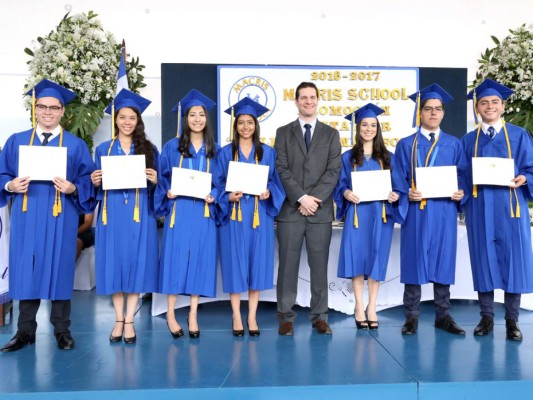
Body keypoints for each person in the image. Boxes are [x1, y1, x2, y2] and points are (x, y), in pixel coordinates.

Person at [0, 79, 95, 352]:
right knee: (27, 270)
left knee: (60, 268)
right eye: (42, 106)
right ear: (35, 108)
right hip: (27, 215)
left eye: (54, 108)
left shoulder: (75, 146)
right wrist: (10, 185)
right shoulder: (16, 141)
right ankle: (25, 331)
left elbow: (87, 180)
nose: (48, 112)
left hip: (60, 216)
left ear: (63, 111)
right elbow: (2, 173)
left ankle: (62, 330)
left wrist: (74, 186)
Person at [462, 79, 533, 341]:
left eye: (494, 102)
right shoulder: (469, 140)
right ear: (477, 108)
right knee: (484, 260)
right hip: (480, 209)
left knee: (513, 261)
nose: (489, 106)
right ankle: (486, 317)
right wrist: (459, 189)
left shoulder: (518, 135)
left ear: (503, 106)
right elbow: (460, 174)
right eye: (483, 102)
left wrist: (524, 179)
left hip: (510, 209)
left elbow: (531, 168)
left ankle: (512, 320)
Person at [394, 83, 467, 336]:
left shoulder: (454, 144)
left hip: (445, 211)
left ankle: (442, 315)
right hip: (417, 212)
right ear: (420, 113)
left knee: (443, 260)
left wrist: (461, 192)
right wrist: (407, 192)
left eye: (437, 109)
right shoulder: (406, 144)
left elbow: (463, 176)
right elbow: (398, 178)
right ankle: (411, 316)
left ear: (443, 114)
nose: (433, 113)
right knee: (414, 259)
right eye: (428, 109)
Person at [91, 89, 159, 344]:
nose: (127, 122)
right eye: (122, 117)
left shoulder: (150, 150)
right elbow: (94, 187)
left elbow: (160, 186)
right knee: (115, 265)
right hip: (113, 214)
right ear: (115, 120)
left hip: (140, 214)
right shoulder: (103, 149)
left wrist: (155, 180)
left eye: (132, 117)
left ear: (138, 121)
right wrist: (94, 180)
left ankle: (130, 320)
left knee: (136, 265)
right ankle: (118, 319)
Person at [274, 82, 342, 335]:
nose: (308, 101)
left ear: (318, 100)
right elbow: (281, 169)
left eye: (312, 97)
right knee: (287, 266)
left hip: (320, 212)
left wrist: (313, 199)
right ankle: (285, 317)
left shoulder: (331, 134)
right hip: (291, 211)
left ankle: (320, 317)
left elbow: (334, 171)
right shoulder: (283, 133)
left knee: (319, 266)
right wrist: (301, 197)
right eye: (304, 97)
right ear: (296, 101)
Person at [334, 104, 408, 329]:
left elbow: (400, 187)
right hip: (357, 215)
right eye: (364, 124)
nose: (369, 129)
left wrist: (396, 195)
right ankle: (358, 306)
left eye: (373, 125)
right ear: (358, 128)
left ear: (379, 129)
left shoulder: (388, 158)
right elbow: (340, 185)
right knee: (357, 260)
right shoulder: (347, 158)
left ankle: (372, 307)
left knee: (377, 260)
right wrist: (346, 192)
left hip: (381, 215)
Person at [217, 97, 285, 336]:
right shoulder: (225, 153)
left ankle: (252, 316)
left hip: (258, 216)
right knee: (234, 264)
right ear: (235, 126)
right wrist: (227, 197)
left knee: (258, 264)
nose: (245, 127)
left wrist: (269, 192)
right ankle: (237, 315)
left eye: (250, 122)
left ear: (256, 125)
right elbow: (216, 184)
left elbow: (276, 183)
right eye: (241, 123)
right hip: (234, 216)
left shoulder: (267, 152)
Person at [155, 89, 220, 339]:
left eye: (201, 114)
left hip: (203, 212)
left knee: (200, 262)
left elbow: (222, 181)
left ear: (206, 118)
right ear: (186, 118)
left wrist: (214, 193)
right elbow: (162, 178)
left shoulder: (215, 149)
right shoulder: (172, 147)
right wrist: (167, 192)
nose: (196, 119)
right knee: (175, 261)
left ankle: (193, 313)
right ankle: (171, 314)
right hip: (179, 212)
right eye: (192, 114)